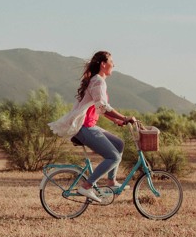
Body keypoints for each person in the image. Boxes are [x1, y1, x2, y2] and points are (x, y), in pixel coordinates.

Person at [48, 50, 137, 202]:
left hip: (89, 125)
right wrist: (125, 117)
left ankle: (111, 182)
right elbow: (102, 106)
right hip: (84, 127)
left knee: (119, 144)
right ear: (103, 64)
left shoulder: (98, 80)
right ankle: (87, 186)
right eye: (111, 61)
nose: (114, 64)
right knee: (114, 157)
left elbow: (99, 108)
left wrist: (117, 121)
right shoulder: (98, 81)